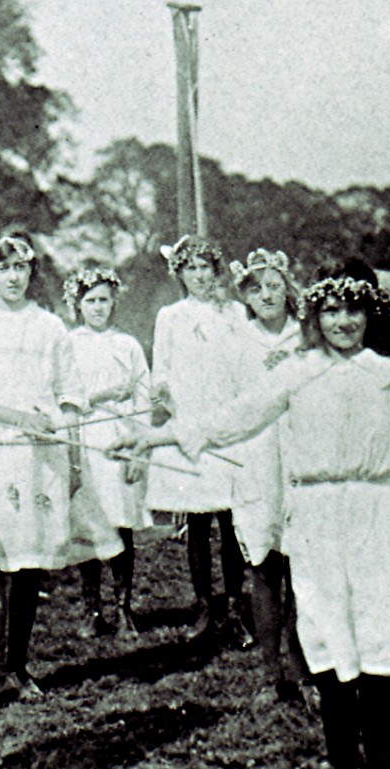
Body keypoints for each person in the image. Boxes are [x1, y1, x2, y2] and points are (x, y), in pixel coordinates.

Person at [113, 262, 390, 769]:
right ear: (316, 316)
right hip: (317, 521)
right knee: (329, 656)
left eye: (353, 310)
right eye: (331, 311)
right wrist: (155, 437)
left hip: (376, 515)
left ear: (369, 313)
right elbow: (233, 420)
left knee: (377, 661)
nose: (343, 322)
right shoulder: (297, 371)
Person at [0, 233, 121, 729]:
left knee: (29, 564)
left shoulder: (51, 326)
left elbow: (70, 394)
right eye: (3, 268)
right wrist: (17, 418)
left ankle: (17, 665)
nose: (14, 277)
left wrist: (73, 457)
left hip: (44, 456)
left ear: (32, 273)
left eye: (21, 268)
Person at [148, 235, 253, 646]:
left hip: (226, 424)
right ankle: (204, 606)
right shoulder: (170, 316)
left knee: (230, 519)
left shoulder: (235, 314)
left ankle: (233, 608)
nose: (198, 275)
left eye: (204, 267)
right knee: (196, 519)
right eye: (189, 268)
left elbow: (246, 367)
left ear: (216, 270)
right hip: (189, 423)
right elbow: (162, 371)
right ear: (180, 274)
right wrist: (169, 400)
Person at [228, 249, 311, 703]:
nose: (266, 295)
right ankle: (269, 674)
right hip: (257, 456)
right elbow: (231, 404)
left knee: (299, 566)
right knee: (263, 565)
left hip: (299, 453)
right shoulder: (239, 340)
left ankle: (302, 672)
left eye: (274, 286)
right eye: (256, 289)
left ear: (287, 288)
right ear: (246, 297)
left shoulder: (307, 336)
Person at [63, 267, 152, 639]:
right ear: (77, 305)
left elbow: (144, 396)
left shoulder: (127, 345)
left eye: (104, 300)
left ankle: (123, 608)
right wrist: (102, 395)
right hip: (86, 438)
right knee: (89, 523)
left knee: (120, 523)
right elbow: (66, 396)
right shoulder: (68, 344)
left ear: (114, 302)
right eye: (90, 301)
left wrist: (138, 448)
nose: (98, 308)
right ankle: (91, 609)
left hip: (119, 439)